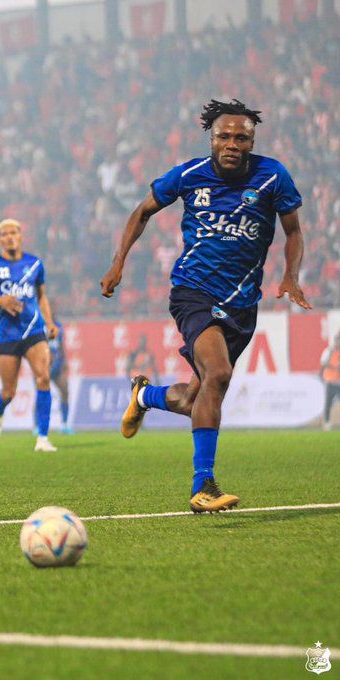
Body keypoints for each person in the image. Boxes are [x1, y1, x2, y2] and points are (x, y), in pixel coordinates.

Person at [100, 99, 311, 513]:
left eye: (241, 138)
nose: (232, 144)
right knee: (218, 372)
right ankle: (204, 486)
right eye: (224, 136)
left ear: (252, 142)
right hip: (193, 292)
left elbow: (294, 232)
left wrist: (291, 275)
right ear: (211, 139)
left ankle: (144, 396)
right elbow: (142, 212)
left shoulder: (273, 177)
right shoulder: (188, 175)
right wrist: (118, 262)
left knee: (194, 398)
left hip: (242, 305)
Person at [0, 218, 59, 452]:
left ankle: (43, 438)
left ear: (21, 235)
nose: (9, 237)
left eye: (13, 233)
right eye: (4, 234)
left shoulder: (35, 264)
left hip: (33, 330)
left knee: (43, 377)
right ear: (0, 239)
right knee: (9, 391)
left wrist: (49, 322)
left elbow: (41, 296)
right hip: (7, 335)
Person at [320, 331, 340, 431]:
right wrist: (335, 367)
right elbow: (323, 363)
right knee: (328, 403)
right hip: (330, 381)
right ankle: (326, 422)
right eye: (337, 340)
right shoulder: (329, 351)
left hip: (339, 382)